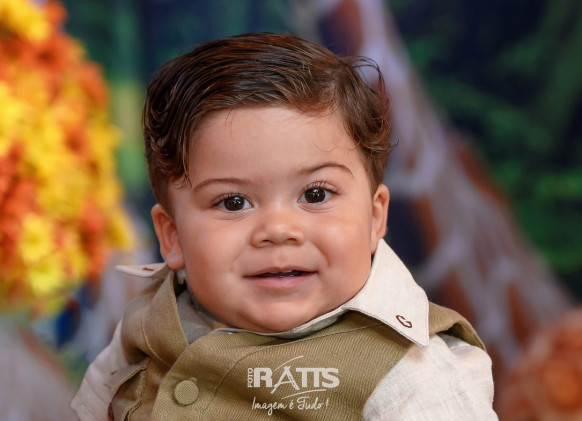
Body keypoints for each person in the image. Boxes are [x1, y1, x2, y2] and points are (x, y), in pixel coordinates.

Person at [72, 33, 497, 420]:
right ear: (172, 236)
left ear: (374, 217)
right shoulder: (149, 320)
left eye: (315, 195)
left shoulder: (412, 374)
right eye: (233, 202)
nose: (278, 229)